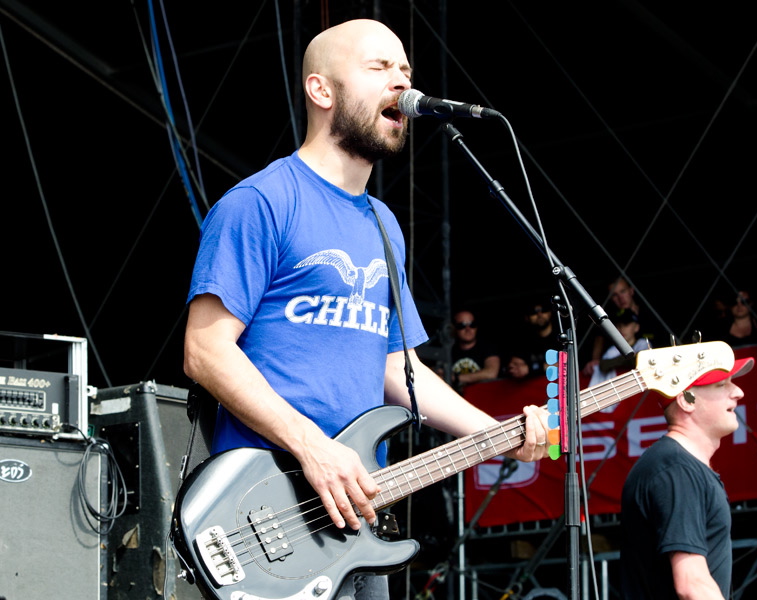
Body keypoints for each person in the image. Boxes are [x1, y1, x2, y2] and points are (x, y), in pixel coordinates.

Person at [182, 19, 550, 600]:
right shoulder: (261, 202)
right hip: (267, 511)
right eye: (380, 67)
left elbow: (392, 363)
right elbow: (204, 351)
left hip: (358, 515)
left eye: (405, 69)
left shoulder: (383, 224)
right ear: (322, 91)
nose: (402, 81)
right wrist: (311, 447)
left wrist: (495, 432)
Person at [620, 354, 757, 600]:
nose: (738, 392)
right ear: (686, 399)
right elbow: (692, 585)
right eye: (722, 385)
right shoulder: (677, 470)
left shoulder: (678, 466)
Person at [588, 309, 649, 387]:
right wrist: (630, 358)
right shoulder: (613, 349)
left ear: (636, 327)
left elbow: (642, 359)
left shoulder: (643, 343)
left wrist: (618, 361)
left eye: (626, 324)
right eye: (619, 325)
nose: (622, 329)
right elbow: (603, 365)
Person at [450, 309, 501, 390]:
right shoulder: (449, 350)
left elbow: (491, 373)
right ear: (454, 329)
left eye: (472, 324)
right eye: (461, 326)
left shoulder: (487, 347)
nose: (468, 329)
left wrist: (455, 378)